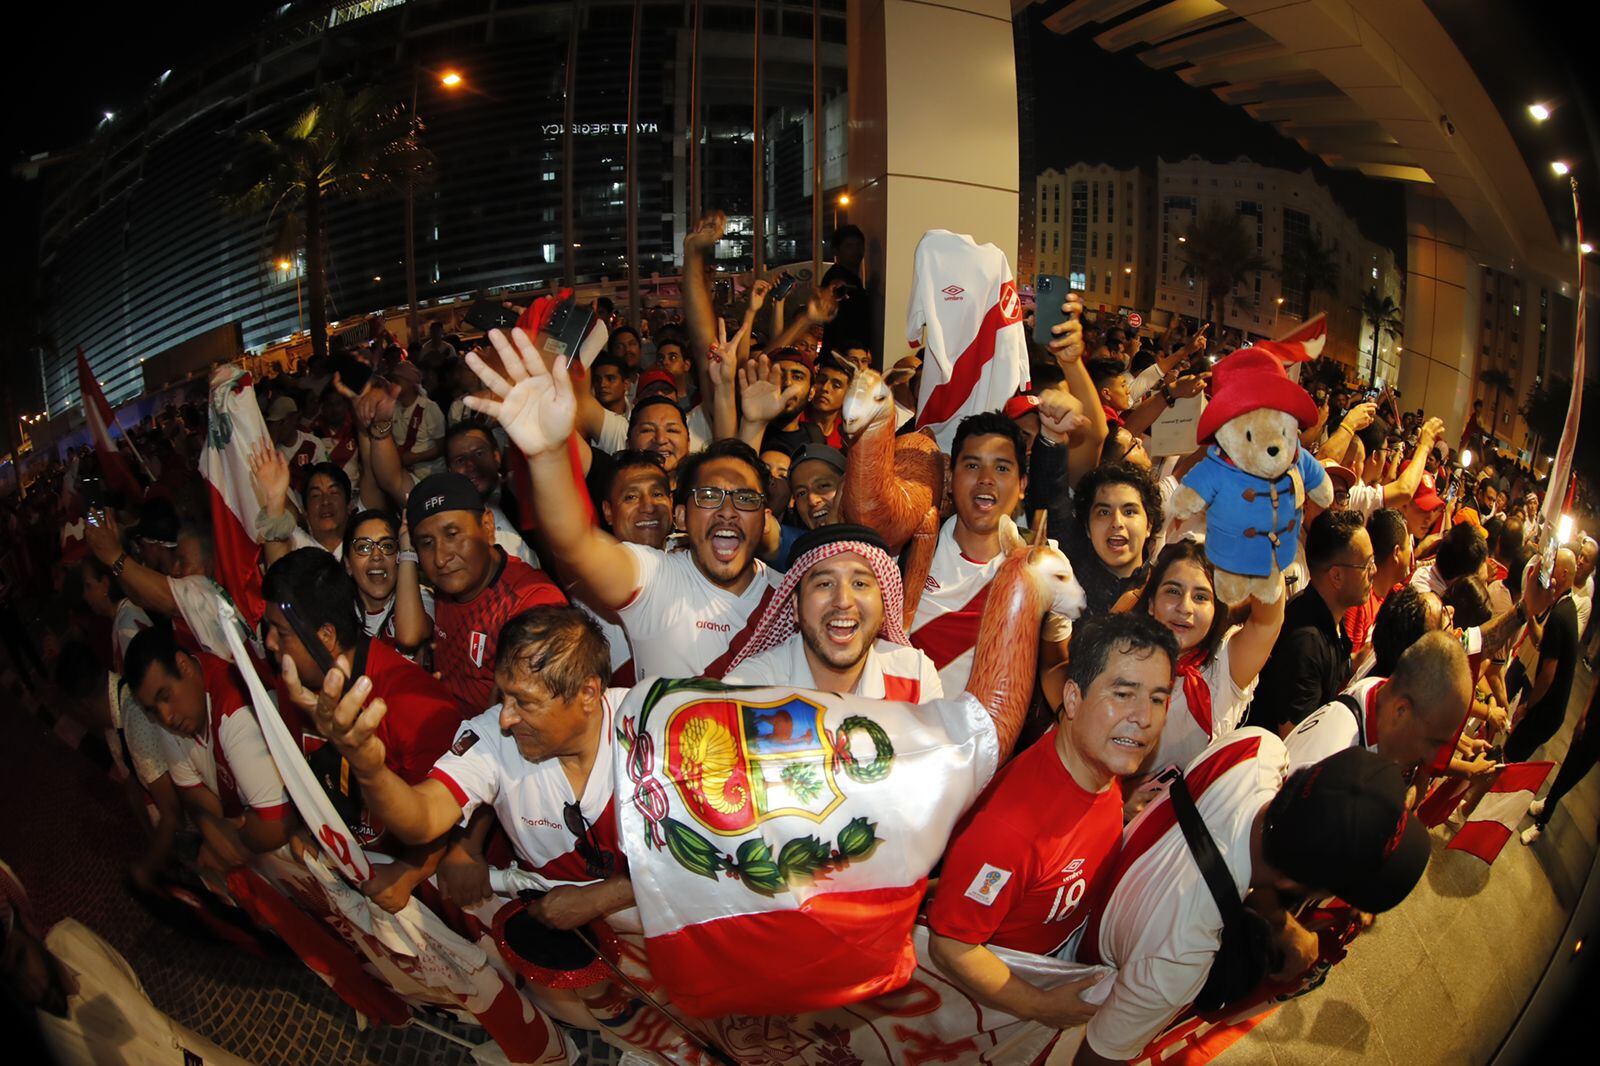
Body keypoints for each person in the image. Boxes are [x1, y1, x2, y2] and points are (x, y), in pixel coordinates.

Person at [1070, 742, 1428, 1065]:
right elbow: (1095, 1059)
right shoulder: (1181, 958)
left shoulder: (1254, 750)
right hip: (1073, 967)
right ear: (1293, 885)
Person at [469, 326, 779, 679]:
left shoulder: (791, 597)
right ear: (680, 516)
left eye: (744, 499)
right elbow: (575, 542)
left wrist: (751, 420)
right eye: (708, 497)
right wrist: (547, 454)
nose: (727, 511)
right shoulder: (656, 577)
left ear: (765, 519)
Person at [304, 606, 636, 929]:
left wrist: (597, 899)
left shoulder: (649, 727)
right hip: (565, 932)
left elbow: (672, 863)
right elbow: (422, 819)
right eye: (503, 696)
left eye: (524, 701)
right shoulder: (493, 737)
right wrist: (370, 770)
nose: (505, 718)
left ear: (587, 693)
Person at [927, 613, 1177, 1027]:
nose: (1144, 717)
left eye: (1156, 699)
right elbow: (950, 945)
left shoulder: (1102, 765)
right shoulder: (1010, 830)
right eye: (1123, 693)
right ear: (1073, 699)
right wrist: (1040, 1007)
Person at [262, 548, 460, 910]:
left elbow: (447, 812)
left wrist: (408, 872)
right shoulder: (294, 680)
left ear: (325, 636)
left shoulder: (415, 706)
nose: (270, 643)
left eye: (282, 632)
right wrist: (309, 826)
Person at [123, 625, 295, 871]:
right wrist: (208, 824)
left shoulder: (233, 711)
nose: (166, 716)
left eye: (165, 696)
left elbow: (277, 825)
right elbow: (194, 796)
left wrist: (227, 841)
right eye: (153, 710)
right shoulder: (172, 719)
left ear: (183, 665)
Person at [407, 472, 567, 717]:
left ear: (488, 527)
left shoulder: (531, 604)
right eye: (427, 543)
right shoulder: (453, 579)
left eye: (452, 534)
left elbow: (529, 718)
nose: (440, 558)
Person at [726, 524, 942, 700]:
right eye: (824, 584)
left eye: (860, 584)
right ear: (795, 606)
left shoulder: (915, 678)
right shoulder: (751, 689)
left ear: (885, 605)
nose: (843, 601)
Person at [908, 413, 1035, 694]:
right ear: (950, 477)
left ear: (1022, 485)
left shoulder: (1040, 566)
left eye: (1001, 468)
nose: (986, 479)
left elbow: (1056, 667)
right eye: (973, 465)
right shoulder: (908, 552)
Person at [1135, 541, 1285, 776]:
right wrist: (1124, 790)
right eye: (1173, 591)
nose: (1185, 607)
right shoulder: (1120, 658)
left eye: (1201, 597)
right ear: (1151, 603)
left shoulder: (1223, 666)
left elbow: (1267, 622)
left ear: (1217, 610)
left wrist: (1263, 544)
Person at [1285, 631, 1472, 775]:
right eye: (1433, 742)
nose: (1432, 759)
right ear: (1401, 711)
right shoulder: (1331, 767)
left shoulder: (1381, 691)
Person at [1252, 510, 1372, 734]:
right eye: (1366, 565)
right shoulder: (1305, 643)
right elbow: (1294, 739)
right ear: (1336, 576)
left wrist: (1353, 663)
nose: (1373, 571)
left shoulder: (1328, 615)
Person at [1504, 548, 1580, 764]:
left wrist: (1527, 706)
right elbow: (1540, 641)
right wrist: (1531, 610)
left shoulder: (1560, 615)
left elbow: (1548, 674)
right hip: (1550, 711)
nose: (1549, 569)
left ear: (1564, 574)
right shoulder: (1564, 606)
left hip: (1545, 711)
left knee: (1510, 756)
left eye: (1554, 566)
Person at [1067, 461, 1162, 617]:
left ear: (1149, 525)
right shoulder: (1065, 584)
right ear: (1087, 527)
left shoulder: (1162, 590)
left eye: (1129, 512)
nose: (1117, 523)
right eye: (1104, 512)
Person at [341, 510, 433, 648]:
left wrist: (408, 551)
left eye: (387, 546)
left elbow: (410, 637)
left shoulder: (422, 598)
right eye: (364, 547)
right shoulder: (338, 612)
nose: (376, 556)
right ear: (348, 564)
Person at [1345, 508, 1411, 660]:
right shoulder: (1358, 603)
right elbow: (1345, 667)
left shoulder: (1398, 595)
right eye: (1408, 545)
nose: (1410, 552)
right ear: (1396, 553)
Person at [787, 443, 846, 531]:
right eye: (801, 493)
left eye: (823, 486)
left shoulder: (867, 535)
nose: (812, 500)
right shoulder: (796, 540)